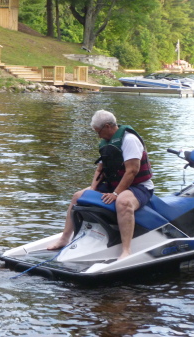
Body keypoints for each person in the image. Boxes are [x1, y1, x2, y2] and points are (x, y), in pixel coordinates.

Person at [47, 110, 154, 259]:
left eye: (99, 132)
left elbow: (132, 171)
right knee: (78, 196)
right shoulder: (107, 143)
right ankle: (64, 238)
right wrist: (92, 189)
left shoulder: (129, 140)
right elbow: (100, 169)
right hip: (114, 183)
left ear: (108, 126)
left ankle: (126, 250)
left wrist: (115, 194)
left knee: (123, 203)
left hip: (139, 186)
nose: (98, 136)